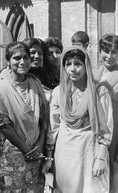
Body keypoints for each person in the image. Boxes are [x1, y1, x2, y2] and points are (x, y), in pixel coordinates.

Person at [42, 45, 113, 193]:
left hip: (90, 151)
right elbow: (53, 128)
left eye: (78, 64)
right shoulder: (58, 92)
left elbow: (106, 127)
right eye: (68, 64)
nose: (72, 69)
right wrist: (49, 157)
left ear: (86, 65)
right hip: (65, 153)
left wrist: (100, 158)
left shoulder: (99, 91)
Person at [0, 41, 49, 192]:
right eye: (17, 58)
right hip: (14, 153)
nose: (22, 62)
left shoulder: (35, 83)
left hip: (36, 151)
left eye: (26, 57)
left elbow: (44, 117)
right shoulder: (2, 87)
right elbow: (3, 124)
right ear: (8, 61)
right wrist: (26, 150)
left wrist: (40, 144)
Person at [96, 34, 118, 193]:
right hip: (97, 134)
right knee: (98, 179)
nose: (109, 56)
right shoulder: (93, 74)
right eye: (105, 50)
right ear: (99, 51)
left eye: (114, 52)